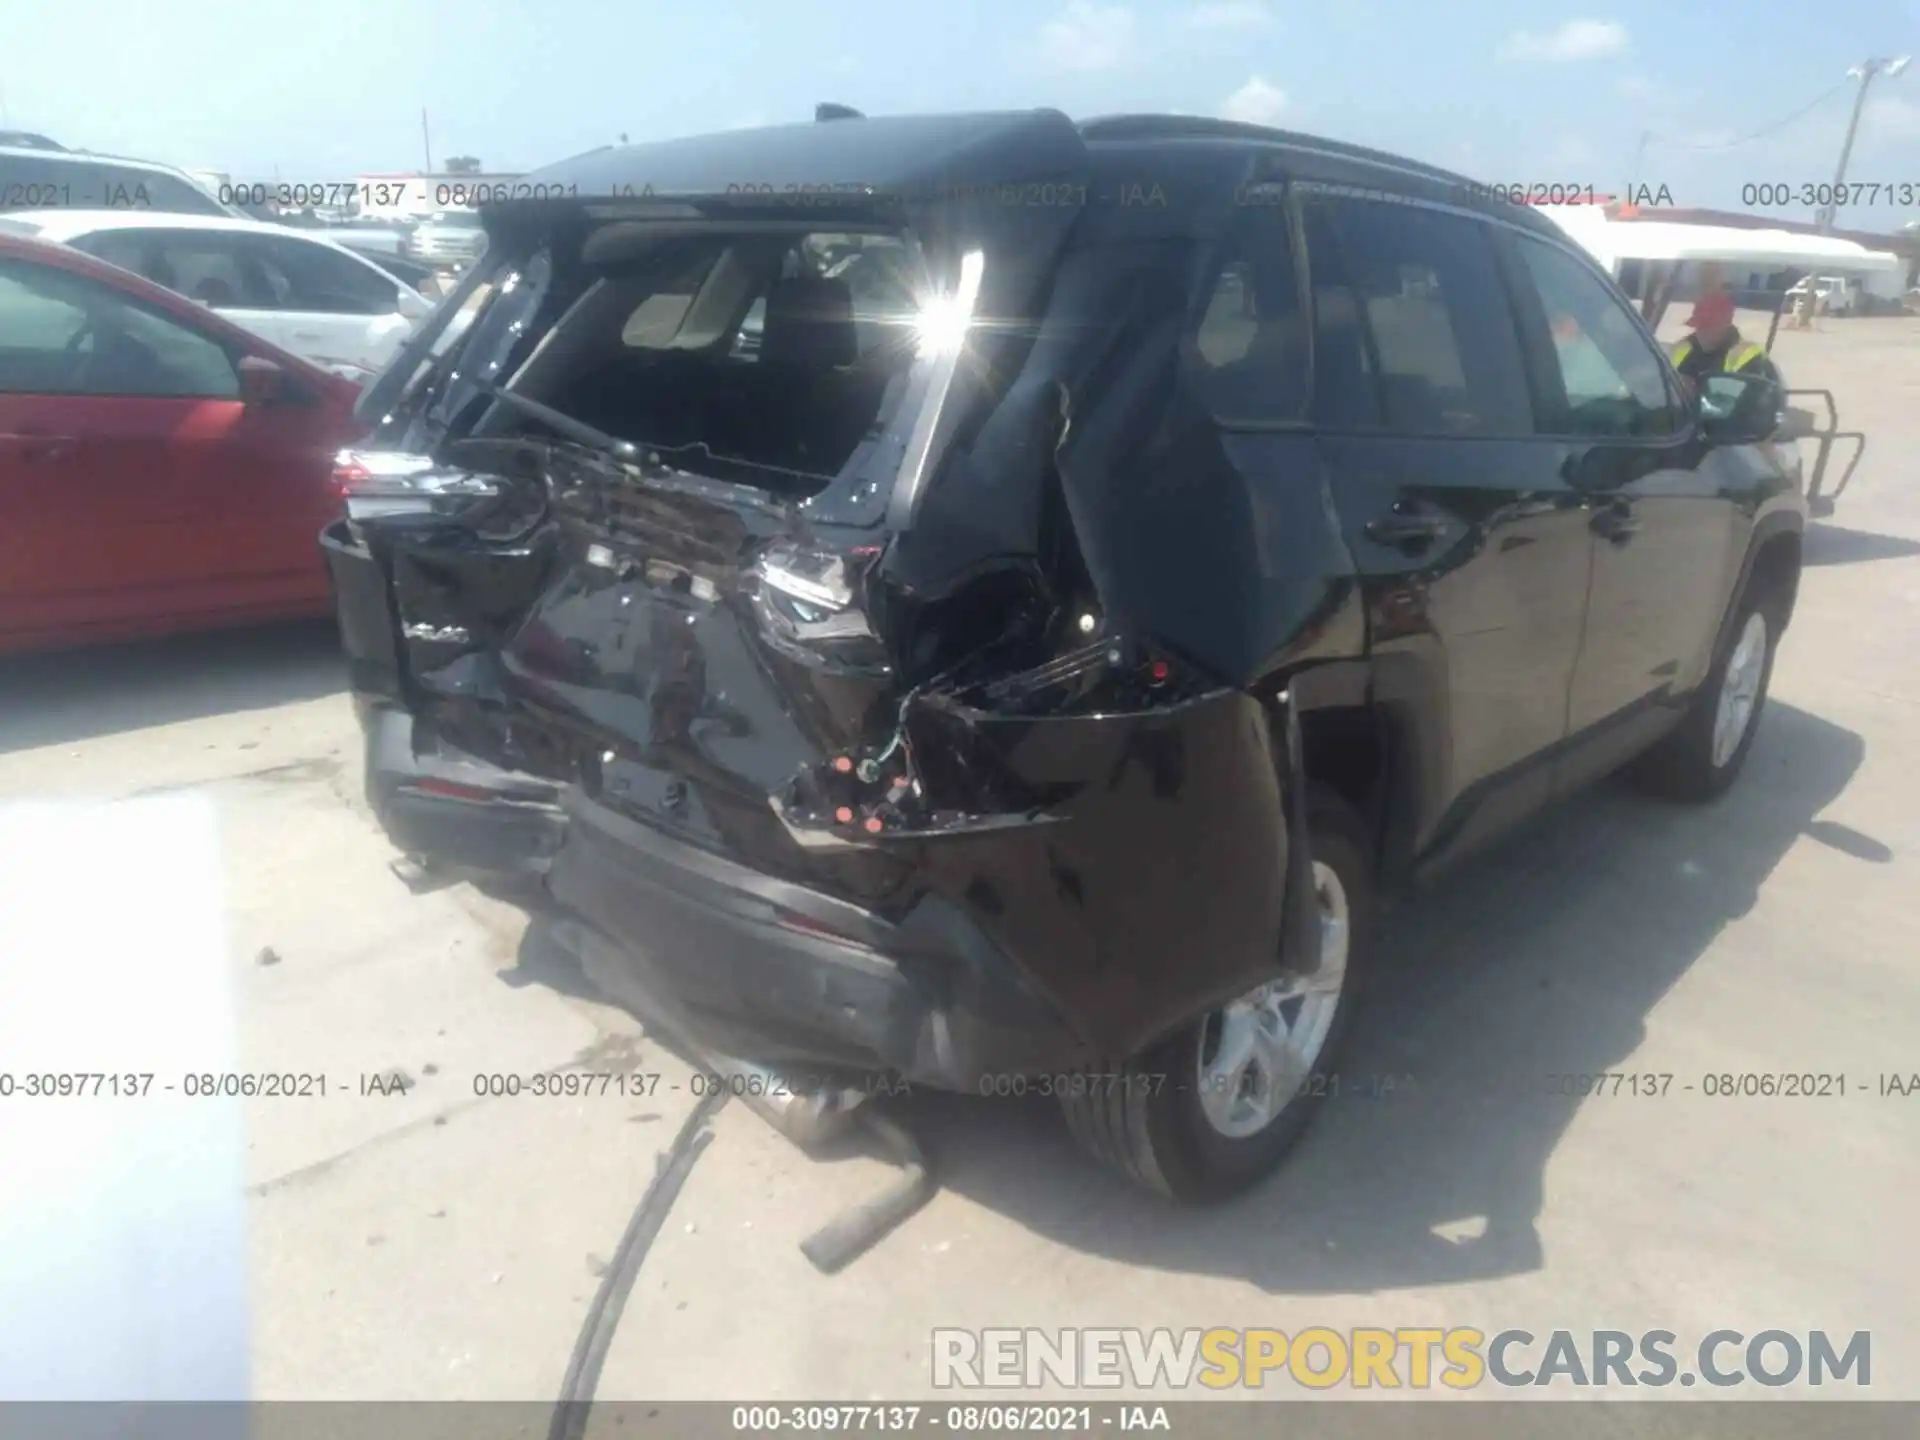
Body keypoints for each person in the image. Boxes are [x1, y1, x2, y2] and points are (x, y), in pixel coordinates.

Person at [1670, 288, 1780, 389]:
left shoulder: (1750, 357)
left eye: (1709, 325)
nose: (1702, 331)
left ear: (1726, 323)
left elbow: (1760, 399)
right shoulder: (1682, 347)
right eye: (1699, 325)